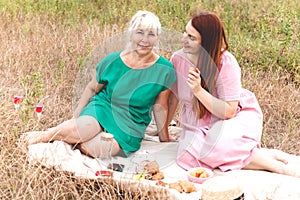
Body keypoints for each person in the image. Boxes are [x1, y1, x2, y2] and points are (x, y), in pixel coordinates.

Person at [23, 10, 176, 158]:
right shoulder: (112, 61)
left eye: (151, 34)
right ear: (130, 34)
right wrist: (75, 118)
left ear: (158, 37)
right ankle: (45, 135)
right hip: (104, 107)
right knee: (83, 128)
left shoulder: (165, 70)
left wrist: (164, 138)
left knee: (95, 148)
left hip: (131, 122)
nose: (145, 40)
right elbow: (91, 88)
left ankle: (80, 140)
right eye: (140, 32)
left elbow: (160, 106)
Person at [167, 10, 300, 177]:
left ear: (206, 43)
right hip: (198, 122)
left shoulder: (225, 62)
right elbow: (173, 98)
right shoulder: (178, 59)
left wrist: (198, 91)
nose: (183, 40)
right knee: (188, 156)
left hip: (230, 117)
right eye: (185, 32)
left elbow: (229, 111)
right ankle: (259, 155)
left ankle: (275, 166)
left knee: (218, 145)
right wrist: (164, 131)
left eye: (191, 38)